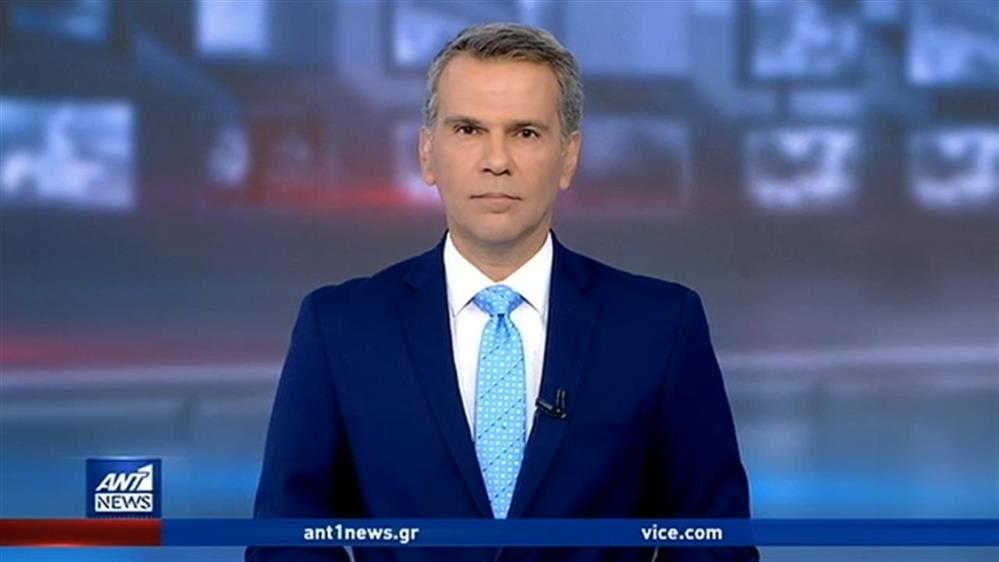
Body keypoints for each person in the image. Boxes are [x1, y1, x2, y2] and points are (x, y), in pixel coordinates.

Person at [248, 22, 757, 562]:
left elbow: (716, 548)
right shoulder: (340, 328)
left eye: (526, 133)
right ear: (427, 152)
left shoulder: (659, 328)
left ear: (569, 157)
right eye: (468, 130)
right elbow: (286, 545)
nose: (496, 160)